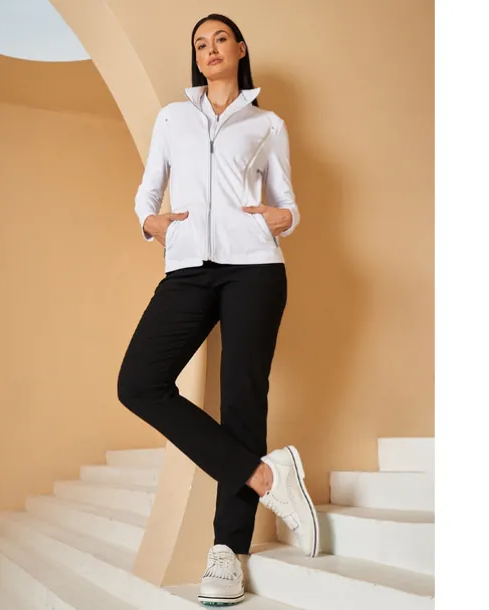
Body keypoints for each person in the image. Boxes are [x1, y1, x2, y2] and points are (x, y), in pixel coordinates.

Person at [117, 13, 319, 607]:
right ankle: (266, 476)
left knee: (241, 399)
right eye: (200, 44)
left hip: (254, 268)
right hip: (188, 268)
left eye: (220, 40)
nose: (209, 50)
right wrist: (150, 222)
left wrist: (287, 217)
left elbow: (286, 201)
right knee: (139, 383)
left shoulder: (266, 123)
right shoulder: (172, 117)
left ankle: (228, 550)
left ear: (240, 49)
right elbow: (148, 189)